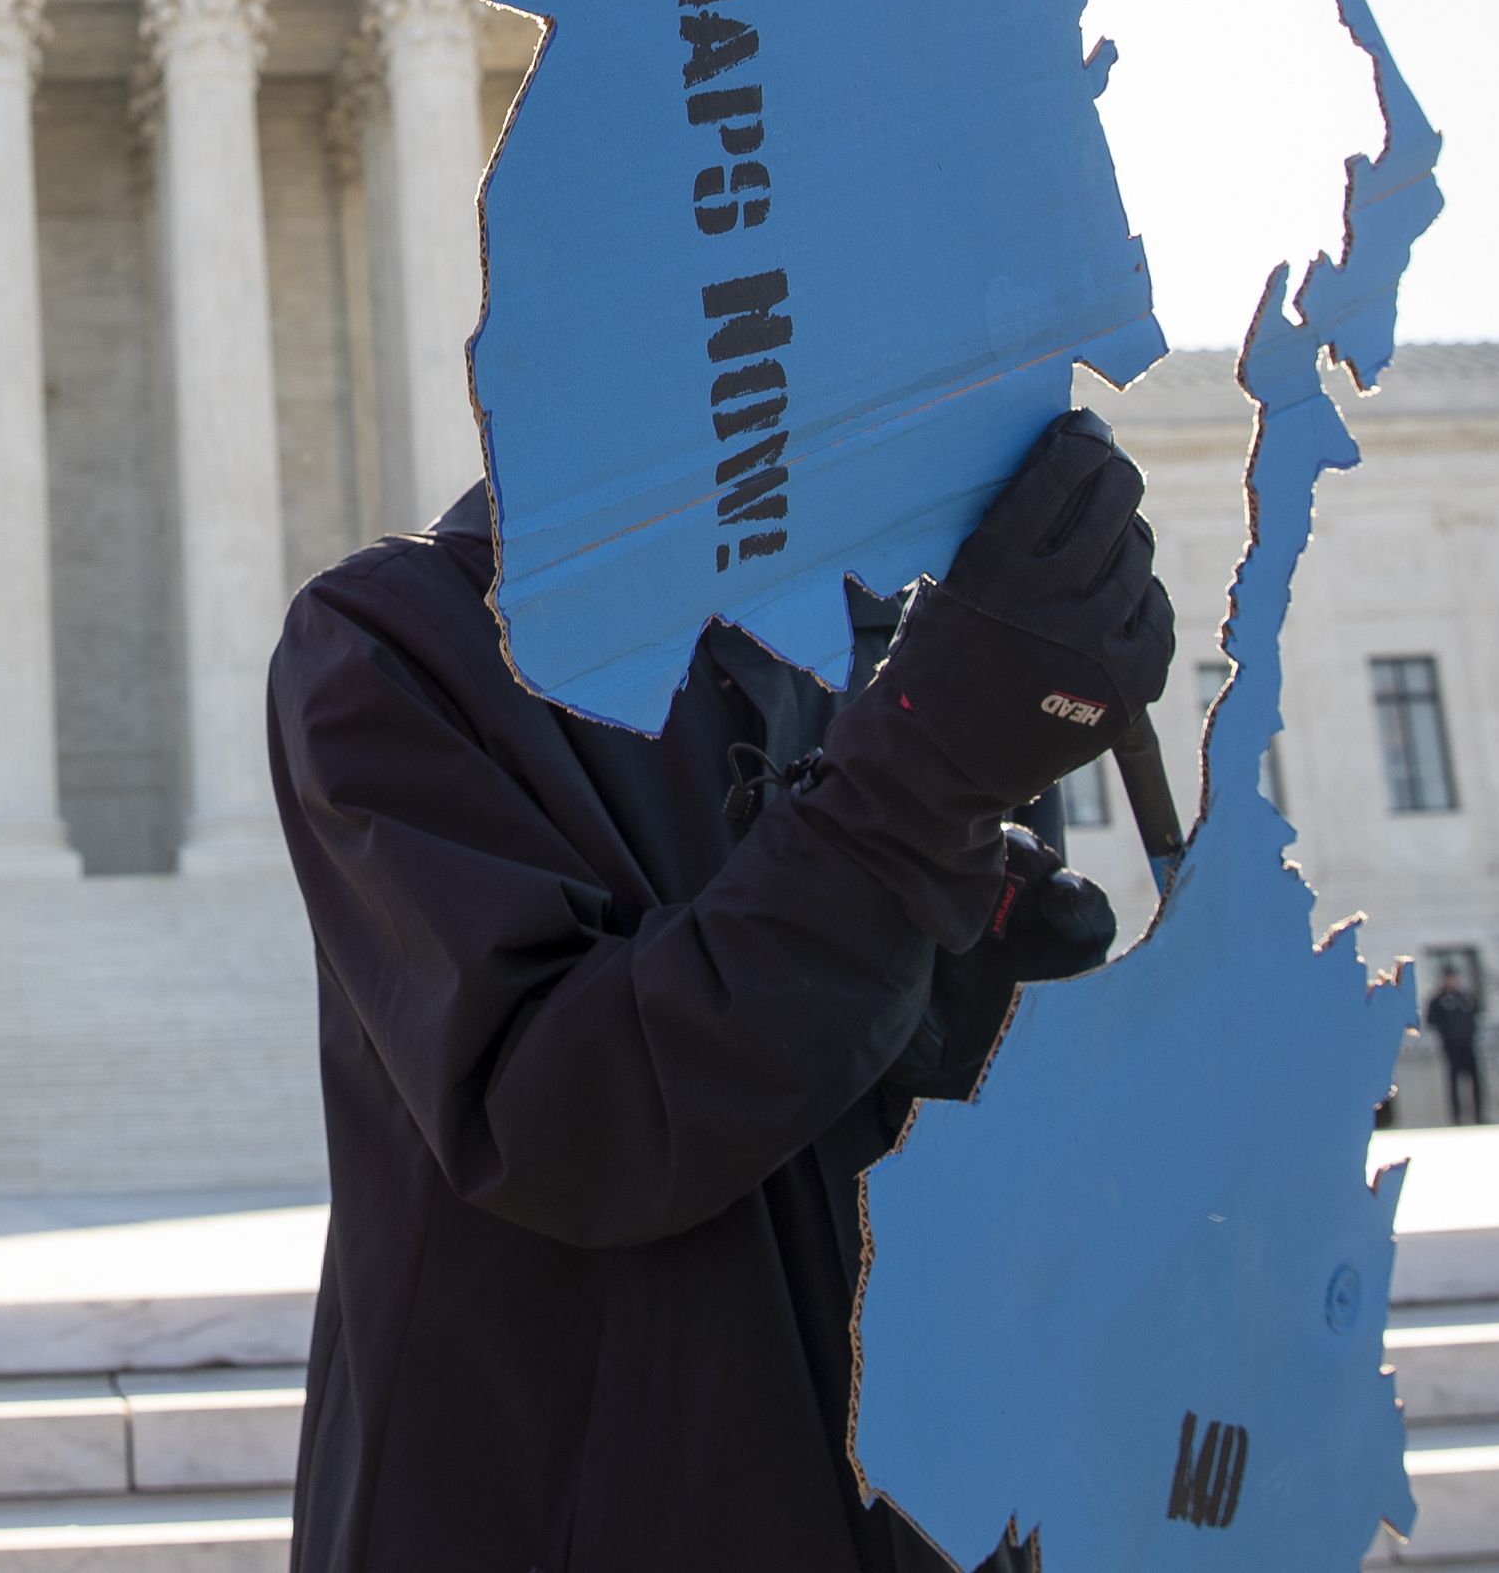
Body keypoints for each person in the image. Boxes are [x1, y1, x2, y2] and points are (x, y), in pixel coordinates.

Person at [269, 409, 1174, 1572]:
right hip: (577, 1507)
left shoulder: (897, 644)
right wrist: (918, 776)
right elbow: (562, 1117)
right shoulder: (392, 639)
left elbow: (919, 1154)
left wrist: (1009, 986)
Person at [1430, 975, 1486, 1125]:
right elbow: (1432, 1019)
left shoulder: (1465, 997)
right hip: (1451, 1047)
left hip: (1468, 1045)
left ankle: (1479, 1114)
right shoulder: (1439, 1000)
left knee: (1476, 1080)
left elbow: (1475, 1014)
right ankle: (1456, 1116)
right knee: (1454, 1082)